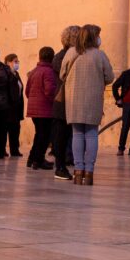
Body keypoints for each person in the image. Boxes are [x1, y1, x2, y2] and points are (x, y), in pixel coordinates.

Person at [63, 24, 114, 185]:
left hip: (74, 99)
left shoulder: (71, 52)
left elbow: (62, 73)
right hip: (93, 99)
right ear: (94, 37)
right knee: (91, 134)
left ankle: (78, 172)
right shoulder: (99, 55)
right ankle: (89, 172)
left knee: (77, 134)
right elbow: (110, 77)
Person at [51, 25, 80, 179]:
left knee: (66, 135)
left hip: (67, 102)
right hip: (63, 103)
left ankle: (64, 164)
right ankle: (60, 167)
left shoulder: (63, 55)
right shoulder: (64, 56)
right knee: (61, 136)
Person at [26, 47, 58, 172]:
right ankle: (38, 160)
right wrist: (54, 101)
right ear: (52, 57)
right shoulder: (49, 72)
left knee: (39, 135)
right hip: (45, 110)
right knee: (44, 136)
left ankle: (32, 159)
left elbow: (27, 91)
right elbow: (50, 90)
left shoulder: (34, 71)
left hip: (34, 109)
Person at [5, 53, 25, 158]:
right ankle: (2, 149)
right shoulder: (7, 74)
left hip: (16, 106)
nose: (17, 63)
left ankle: (15, 149)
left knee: (15, 129)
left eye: (18, 61)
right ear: (8, 62)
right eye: (15, 61)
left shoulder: (16, 74)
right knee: (8, 128)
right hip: (9, 106)